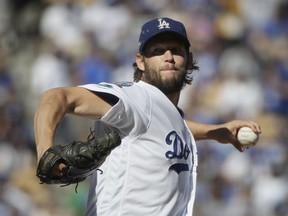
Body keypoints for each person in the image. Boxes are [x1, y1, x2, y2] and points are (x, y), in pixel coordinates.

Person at [34, 17, 261, 216]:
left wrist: (216, 132)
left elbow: (167, 128)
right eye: (157, 51)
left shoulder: (160, 113)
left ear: (189, 60)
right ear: (141, 61)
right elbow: (55, 97)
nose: (168, 56)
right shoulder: (135, 97)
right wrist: (46, 152)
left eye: (176, 50)